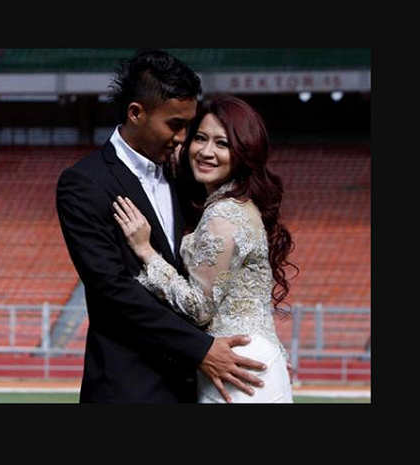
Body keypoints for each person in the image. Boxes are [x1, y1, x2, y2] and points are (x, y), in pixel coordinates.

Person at [56, 50, 266, 403]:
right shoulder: (84, 183)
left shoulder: (184, 174)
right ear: (136, 113)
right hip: (129, 387)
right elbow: (112, 291)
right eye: (174, 124)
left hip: (198, 386)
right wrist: (200, 350)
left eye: (189, 125)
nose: (184, 137)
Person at [113, 94, 296, 402]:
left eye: (222, 144)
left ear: (243, 151)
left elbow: (199, 308)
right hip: (249, 360)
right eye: (200, 139)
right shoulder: (236, 204)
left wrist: (146, 252)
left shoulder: (223, 214)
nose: (207, 152)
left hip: (236, 367)